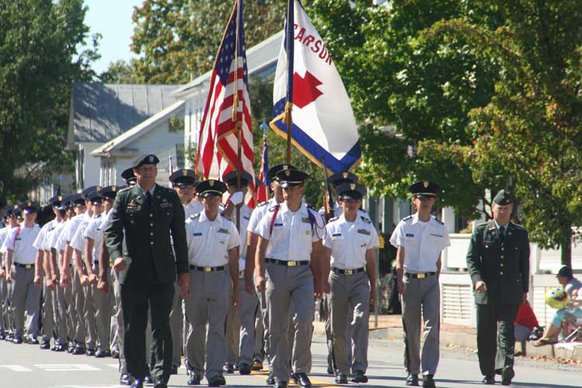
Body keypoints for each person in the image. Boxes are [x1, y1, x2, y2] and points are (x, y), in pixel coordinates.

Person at [105, 154, 190, 388]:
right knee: (134, 325)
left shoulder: (169, 197)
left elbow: (179, 236)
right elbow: (111, 232)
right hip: (133, 273)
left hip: (162, 272)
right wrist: (116, 255)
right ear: (135, 172)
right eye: (144, 169)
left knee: (162, 325)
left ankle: (160, 374)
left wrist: (183, 271)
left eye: (152, 168)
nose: (149, 172)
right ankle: (137, 374)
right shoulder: (125, 198)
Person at [255, 167, 326, 388]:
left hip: (303, 273)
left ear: (301, 189)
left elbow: (318, 252)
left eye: (293, 188)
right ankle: (280, 374)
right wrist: (258, 272)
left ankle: (301, 370)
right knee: (277, 326)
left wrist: (320, 280)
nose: (287, 192)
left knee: (304, 320)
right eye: (284, 187)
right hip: (275, 272)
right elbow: (260, 247)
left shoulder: (312, 216)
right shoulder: (272, 214)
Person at [466, 189, 530, 385]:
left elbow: (524, 263)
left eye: (506, 209)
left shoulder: (519, 233)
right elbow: (472, 259)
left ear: (511, 210)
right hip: (486, 291)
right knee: (485, 333)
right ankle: (488, 371)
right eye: (499, 208)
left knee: (506, 330)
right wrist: (477, 279)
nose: (502, 212)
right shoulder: (481, 231)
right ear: (492, 208)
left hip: (510, 291)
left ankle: (506, 366)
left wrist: (525, 290)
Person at [389, 181, 450, 388]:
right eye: (421, 198)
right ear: (414, 201)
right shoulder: (405, 225)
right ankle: (412, 371)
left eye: (429, 198)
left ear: (434, 201)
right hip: (410, 281)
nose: (425, 202)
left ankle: (428, 372)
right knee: (412, 330)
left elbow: (439, 260)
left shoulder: (439, 228)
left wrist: (435, 280)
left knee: (432, 328)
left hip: (431, 281)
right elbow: (399, 257)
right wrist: (399, 281)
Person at [183, 179, 240, 387]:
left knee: (217, 327)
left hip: (219, 277)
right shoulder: (191, 224)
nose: (212, 200)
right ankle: (195, 369)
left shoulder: (228, 226)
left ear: (220, 199)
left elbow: (233, 258)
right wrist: (183, 280)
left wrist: (235, 288)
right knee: (195, 327)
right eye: (208, 196)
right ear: (202, 198)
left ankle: (214, 371)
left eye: (216, 196)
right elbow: (183, 256)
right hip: (195, 276)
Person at [322, 182, 379, 384]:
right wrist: (322, 282)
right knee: (338, 327)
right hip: (336, 278)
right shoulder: (332, 227)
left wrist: (374, 286)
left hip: (359, 278)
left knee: (360, 320)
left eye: (355, 201)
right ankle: (341, 369)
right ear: (340, 202)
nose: (352, 204)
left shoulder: (367, 226)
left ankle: (359, 368)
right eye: (348, 201)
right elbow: (325, 256)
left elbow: (371, 259)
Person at [2, 202, 42, 344]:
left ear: (35, 215)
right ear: (23, 215)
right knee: (17, 303)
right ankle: (18, 331)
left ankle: (31, 333)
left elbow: (41, 253)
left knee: (33, 303)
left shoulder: (39, 231)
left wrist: (38, 272)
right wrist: (7, 271)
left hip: (34, 269)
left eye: (31, 214)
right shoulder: (15, 231)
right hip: (18, 269)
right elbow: (8, 252)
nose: (29, 216)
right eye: (26, 214)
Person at [533, 265, 581, 346]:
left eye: (558, 276)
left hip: (580, 316)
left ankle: (547, 337)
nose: (557, 278)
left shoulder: (570, 287)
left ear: (564, 277)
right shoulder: (575, 283)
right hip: (579, 312)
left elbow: (567, 304)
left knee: (559, 314)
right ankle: (551, 337)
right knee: (561, 313)